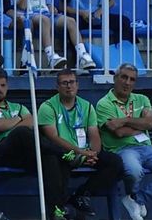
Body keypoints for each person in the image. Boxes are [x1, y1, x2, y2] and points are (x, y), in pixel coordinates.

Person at [0, 68, 73, 220]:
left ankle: (57, 211)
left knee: (50, 159)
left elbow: (32, 122)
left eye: (2, 85)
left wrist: (12, 123)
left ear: (7, 86)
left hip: (20, 154)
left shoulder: (18, 107)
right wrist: (19, 120)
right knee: (21, 133)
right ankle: (63, 152)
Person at [96, 63, 152, 220]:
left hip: (147, 148)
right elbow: (118, 132)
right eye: (124, 77)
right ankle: (135, 199)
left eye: (132, 79)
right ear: (115, 78)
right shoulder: (104, 103)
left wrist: (125, 119)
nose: (127, 83)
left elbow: (150, 124)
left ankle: (137, 199)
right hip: (122, 149)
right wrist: (140, 124)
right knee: (134, 171)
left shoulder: (142, 99)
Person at [38, 66, 128, 220]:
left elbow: (94, 134)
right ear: (57, 86)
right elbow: (53, 137)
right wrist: (80, 153)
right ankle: (60, 210)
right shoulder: (48, 107)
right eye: (64, 83)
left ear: (77, 85)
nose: (69, 86)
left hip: (84, 153)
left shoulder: (86, 106)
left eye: (72, 82)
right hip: (63, 154)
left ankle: (82, 195)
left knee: (115, 163)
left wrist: (93, 153)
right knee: (56, 163)